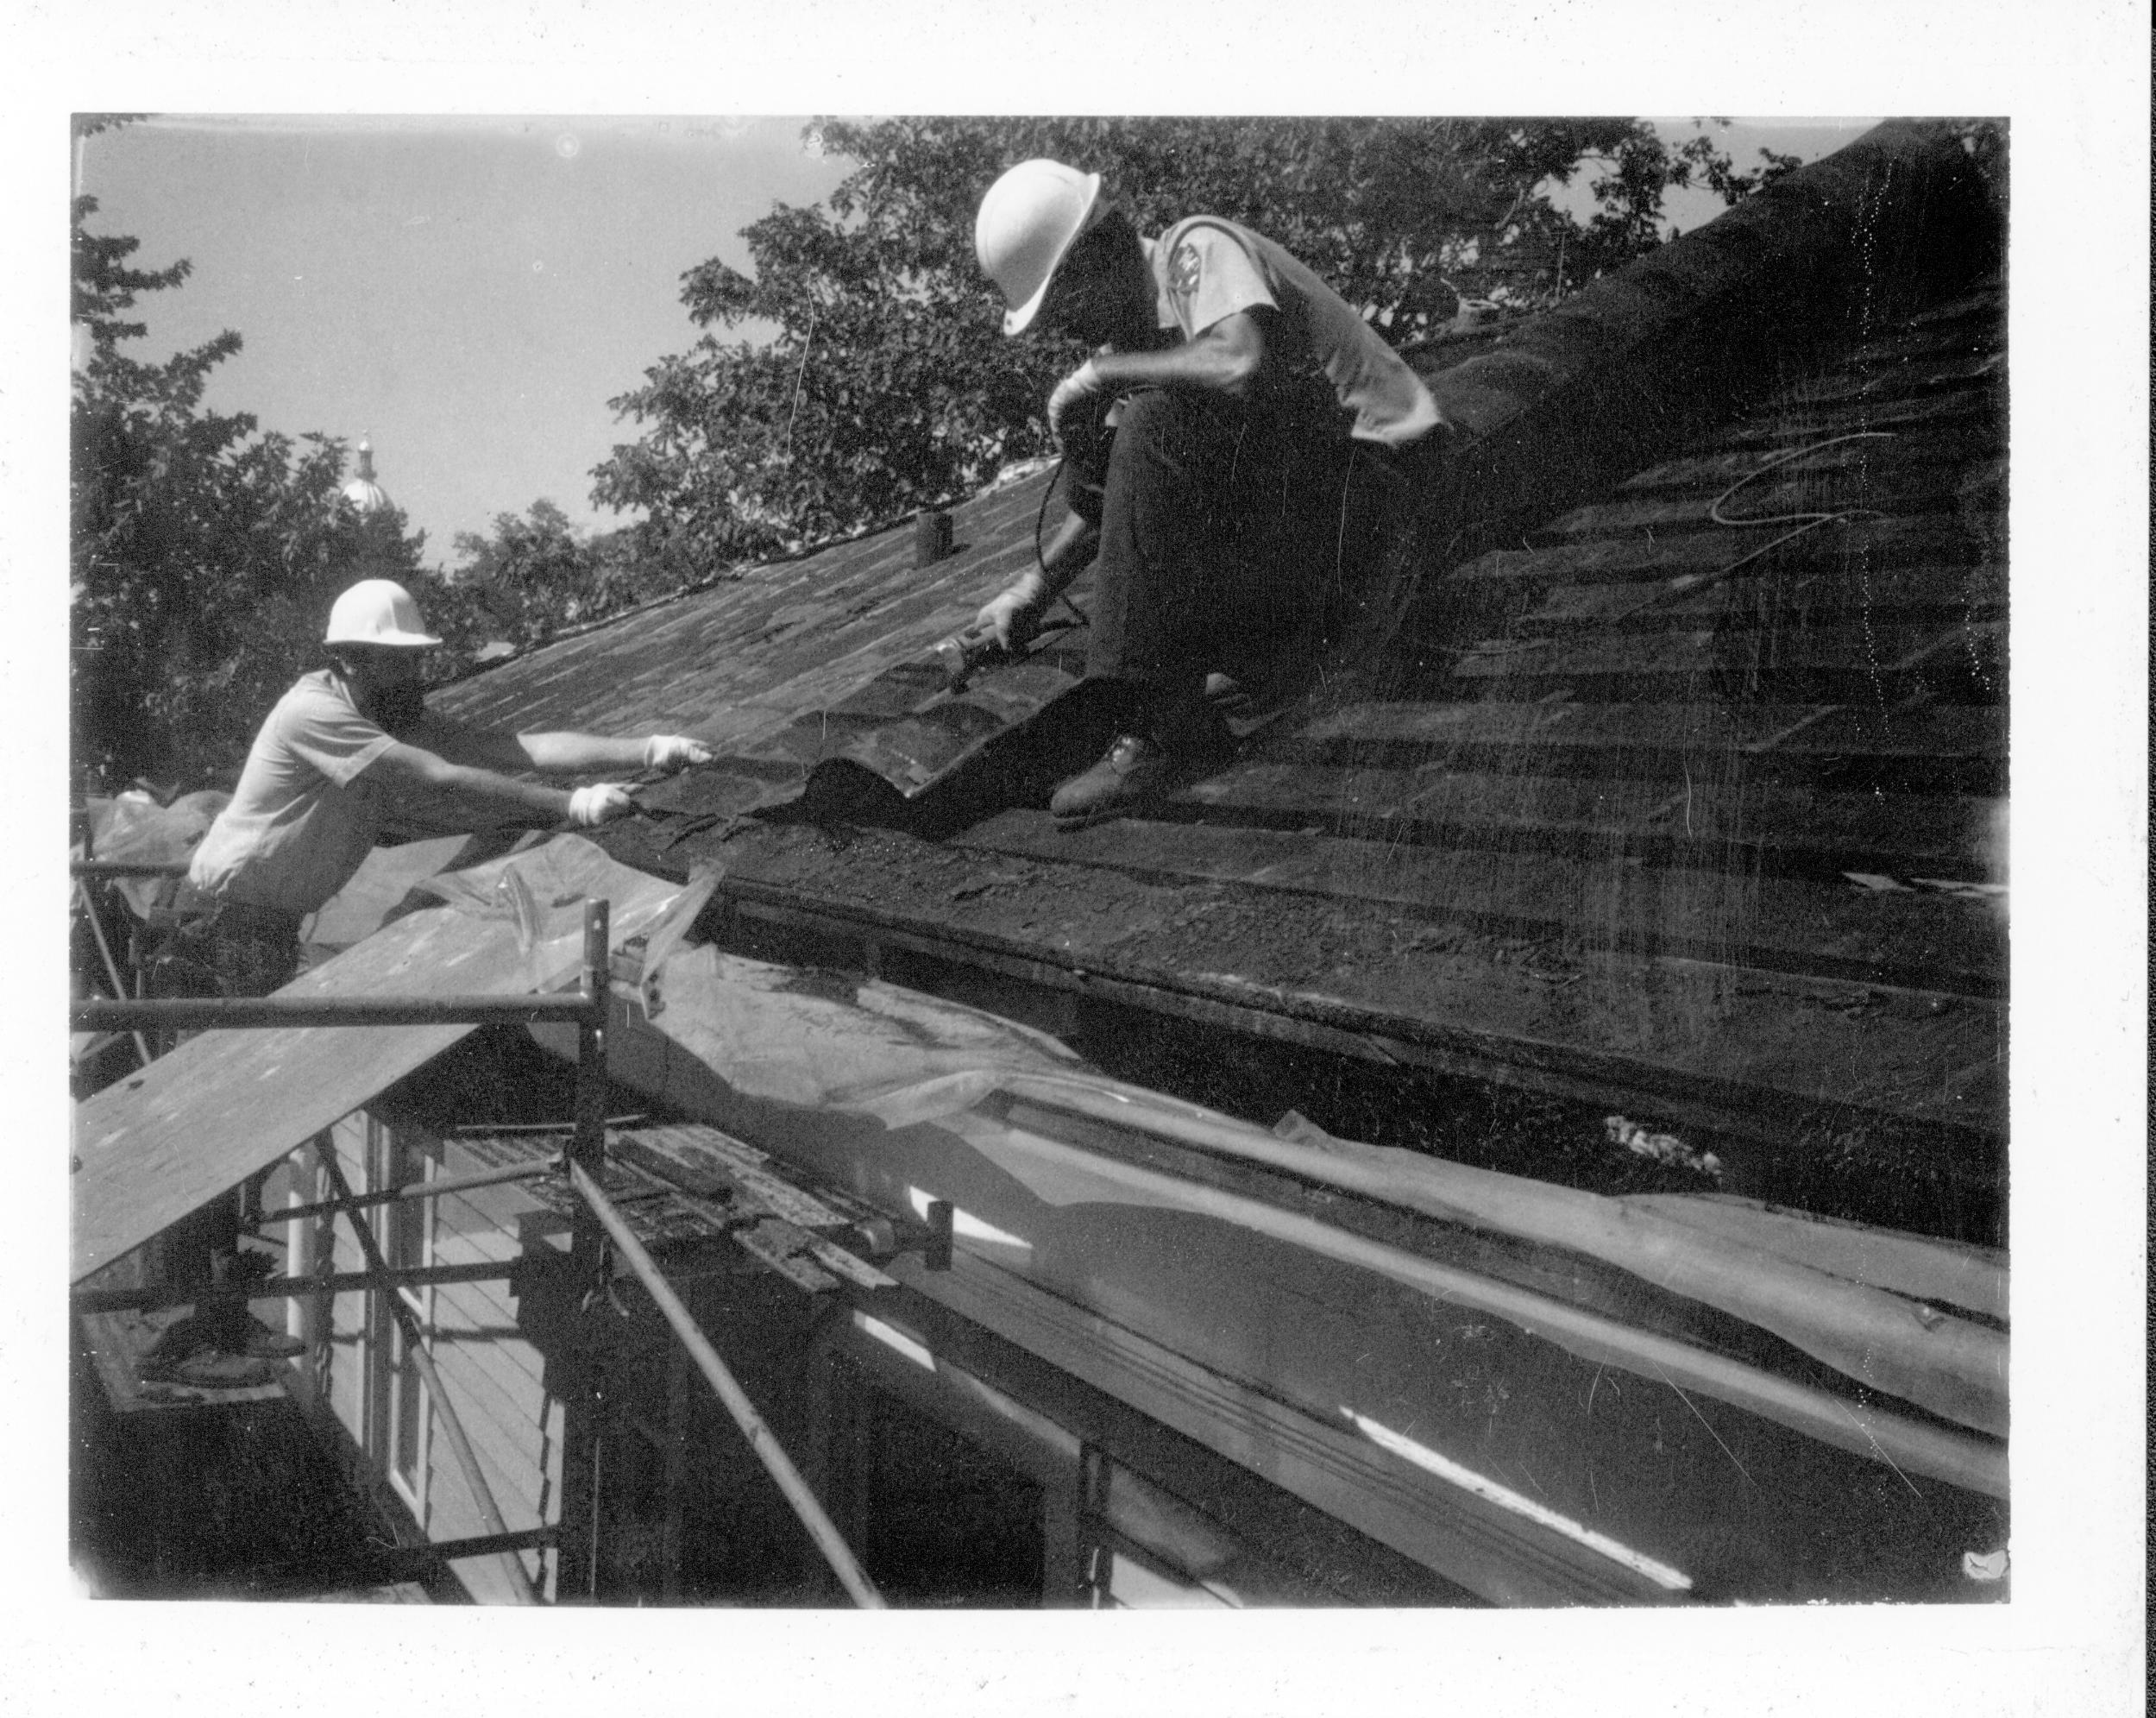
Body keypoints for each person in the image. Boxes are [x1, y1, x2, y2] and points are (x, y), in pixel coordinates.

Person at [141, 576, 712, 1388]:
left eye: (415, 663)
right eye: (396, 664)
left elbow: (515, 748)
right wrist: (569, 810)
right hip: (213, 930)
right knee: (206, 1128)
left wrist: (646, 749)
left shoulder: (377, 710)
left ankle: (221, 1320)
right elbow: (437, 780)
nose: (413, 680)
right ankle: (178, 1342)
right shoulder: (318, 714)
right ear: (350, 661)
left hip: (253, 932)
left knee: (242, 1130)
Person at [971, 159, 1452, 828]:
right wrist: (1033, 589)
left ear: (1100, 251)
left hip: (1388, 501)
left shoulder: (1194, 248)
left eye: (1062, 305)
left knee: (1147, 422)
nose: (1066, 331)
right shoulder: (1147, 342)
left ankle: (1157, 728)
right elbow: (1126, 493)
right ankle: (1233, 675)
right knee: (1141, 434)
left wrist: (1100, 374)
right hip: (1323, 531)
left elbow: (1236, 359)